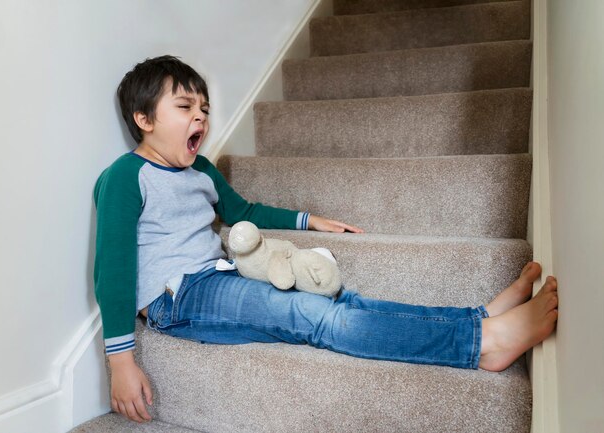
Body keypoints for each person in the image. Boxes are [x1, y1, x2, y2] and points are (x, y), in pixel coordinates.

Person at [94, 55, 558, 424]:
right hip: (179, 298)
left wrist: (308, 219)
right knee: (312, 316)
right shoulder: (126, 177)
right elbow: (112, 268)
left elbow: (244, 213)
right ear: (144, 118)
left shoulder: (201, 170)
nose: (201, 117)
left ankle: (473, 319)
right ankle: (480, 343)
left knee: (337, 296)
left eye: (205, 109)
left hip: (220, 277)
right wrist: (120, 360)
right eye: (185, 107)